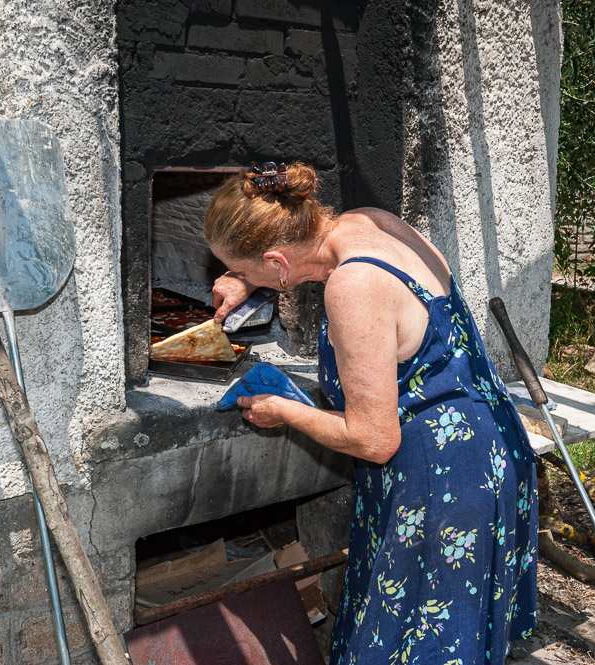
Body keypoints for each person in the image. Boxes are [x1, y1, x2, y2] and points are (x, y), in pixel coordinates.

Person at [204, 161, 538, 665]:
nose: (245, 281)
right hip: (489, 449)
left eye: (250, 272)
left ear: (279, 262)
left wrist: (283, 410)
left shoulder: (353, 288)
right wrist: (247, 276)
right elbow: (290, 262)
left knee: (412, 643)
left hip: (439, 485)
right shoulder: (370, 222)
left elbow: (374, 439)